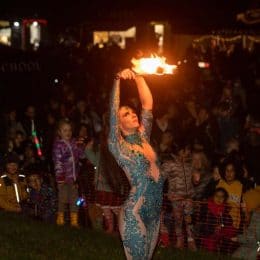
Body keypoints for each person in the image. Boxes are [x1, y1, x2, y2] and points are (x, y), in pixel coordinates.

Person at [108, 69, 164, 260]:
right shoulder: (119, 146)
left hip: (155, 213)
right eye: (126, 114)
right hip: (135, 213)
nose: (132, 114)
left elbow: (148, 104)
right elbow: (112, 113)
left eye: (132, 111)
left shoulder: (143, 138)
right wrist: (118, 79)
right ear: (119, 123)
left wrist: (139, 76)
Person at [52, 119, 86, 227]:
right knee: (62, 198)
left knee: (74, 199)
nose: (68, 132)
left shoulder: (74, 143)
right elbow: (58, 163)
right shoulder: (58, 146)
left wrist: (81, 147)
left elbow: (81, 156)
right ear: (59, 132)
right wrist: (60, 178)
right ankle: (60, 218)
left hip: (74, 178)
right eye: (65, 130)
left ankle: (74, 220)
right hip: (63, 178)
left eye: (69, 130)